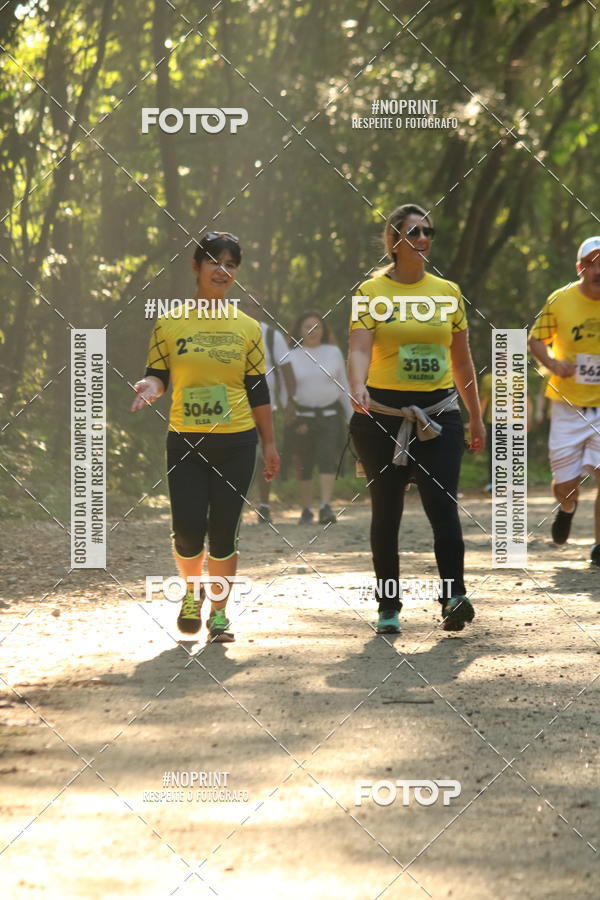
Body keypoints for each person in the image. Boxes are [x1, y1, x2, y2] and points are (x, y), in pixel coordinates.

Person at [131, 232, 279, 640]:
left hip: (236, 442)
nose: (223, 270)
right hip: (185, 441)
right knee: (187, 528)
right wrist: (150, 388)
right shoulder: (169, 322)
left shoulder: (248, 328)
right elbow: (158, 376)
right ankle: (191, 594)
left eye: (231, 264)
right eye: (215, 261)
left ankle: (218, 613)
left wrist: (269, 443)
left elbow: (258, 389)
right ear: (196, 267)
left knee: (224, 531)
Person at [348, 203, 485, 634]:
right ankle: (388, 605)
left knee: (442, 506)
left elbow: (463, 364)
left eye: (428, 232)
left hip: (440, 416)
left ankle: (453, 596)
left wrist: (476, 417)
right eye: (413, 232)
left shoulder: (448, 293)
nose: (423, 240)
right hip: (382, 416)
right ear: (393, 241)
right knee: (385, 513)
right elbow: (357, 349)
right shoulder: (370, 294)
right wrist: (356, 385)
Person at [529, 236, 600, 565]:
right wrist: (554, 364)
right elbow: (536, 340)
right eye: (593, 262)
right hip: (567, 405)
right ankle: (568, 507)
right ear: (581, 268)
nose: (599, 269)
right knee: (566, 484)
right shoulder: (560, 300)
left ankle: (599, 547)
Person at [288, 310, 353, 525]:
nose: (313, 331)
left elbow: (344, 386)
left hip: (330, 416)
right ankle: (306, 508)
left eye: (317, 326)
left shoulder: (333, 352)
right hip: (302, 417)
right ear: (299, 329)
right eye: (307, 327)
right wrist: (292, 417)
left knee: (328, 459)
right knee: (304, 463)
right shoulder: (291, 355)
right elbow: (284, 391)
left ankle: (325, 506)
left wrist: (351, 416)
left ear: (324, 330)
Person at [237, 299, 296, 524]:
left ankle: (264, 505)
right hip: (234, 404)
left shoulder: (272, 336)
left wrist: (291, 401)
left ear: (261, 310)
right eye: (244, 306)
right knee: (238, 453)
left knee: (266, 453)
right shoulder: (230, 330)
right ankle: (236, 504)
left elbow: (287, 370)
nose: (249, 310)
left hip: (266, 405)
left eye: (254, 306)